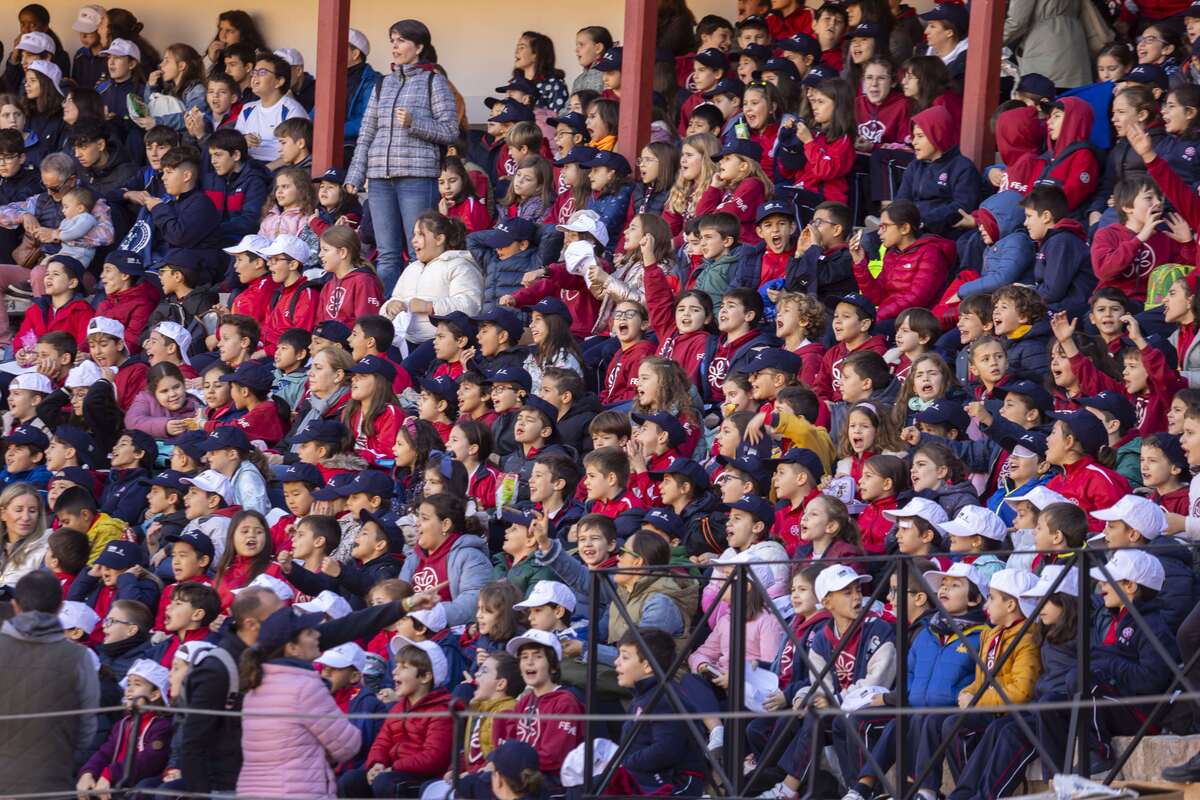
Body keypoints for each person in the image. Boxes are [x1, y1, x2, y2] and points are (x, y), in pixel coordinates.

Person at [345, 19, 459, 291]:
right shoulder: (382, 84)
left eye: (402, 40)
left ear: (419, 46)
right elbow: (367, 132)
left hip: (417, 177)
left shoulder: (435, 81)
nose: (395, 46)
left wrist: (414, 123)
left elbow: (451, 131)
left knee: (419, 250)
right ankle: (387, 321)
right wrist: (355, 173)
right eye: (392, 40)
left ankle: (416, 313)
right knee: (387, 255)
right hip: (380, 178)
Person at [236, 606, 361, 799]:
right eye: (310, 633)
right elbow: (348, 745)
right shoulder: (306, 686)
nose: (318, 635)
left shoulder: (254, 684)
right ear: (292, 648)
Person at [0, 570, 99, 795]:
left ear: (15, 606)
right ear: (58, 607)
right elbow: (86, 728)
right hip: (50, 779)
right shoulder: (79, 657)